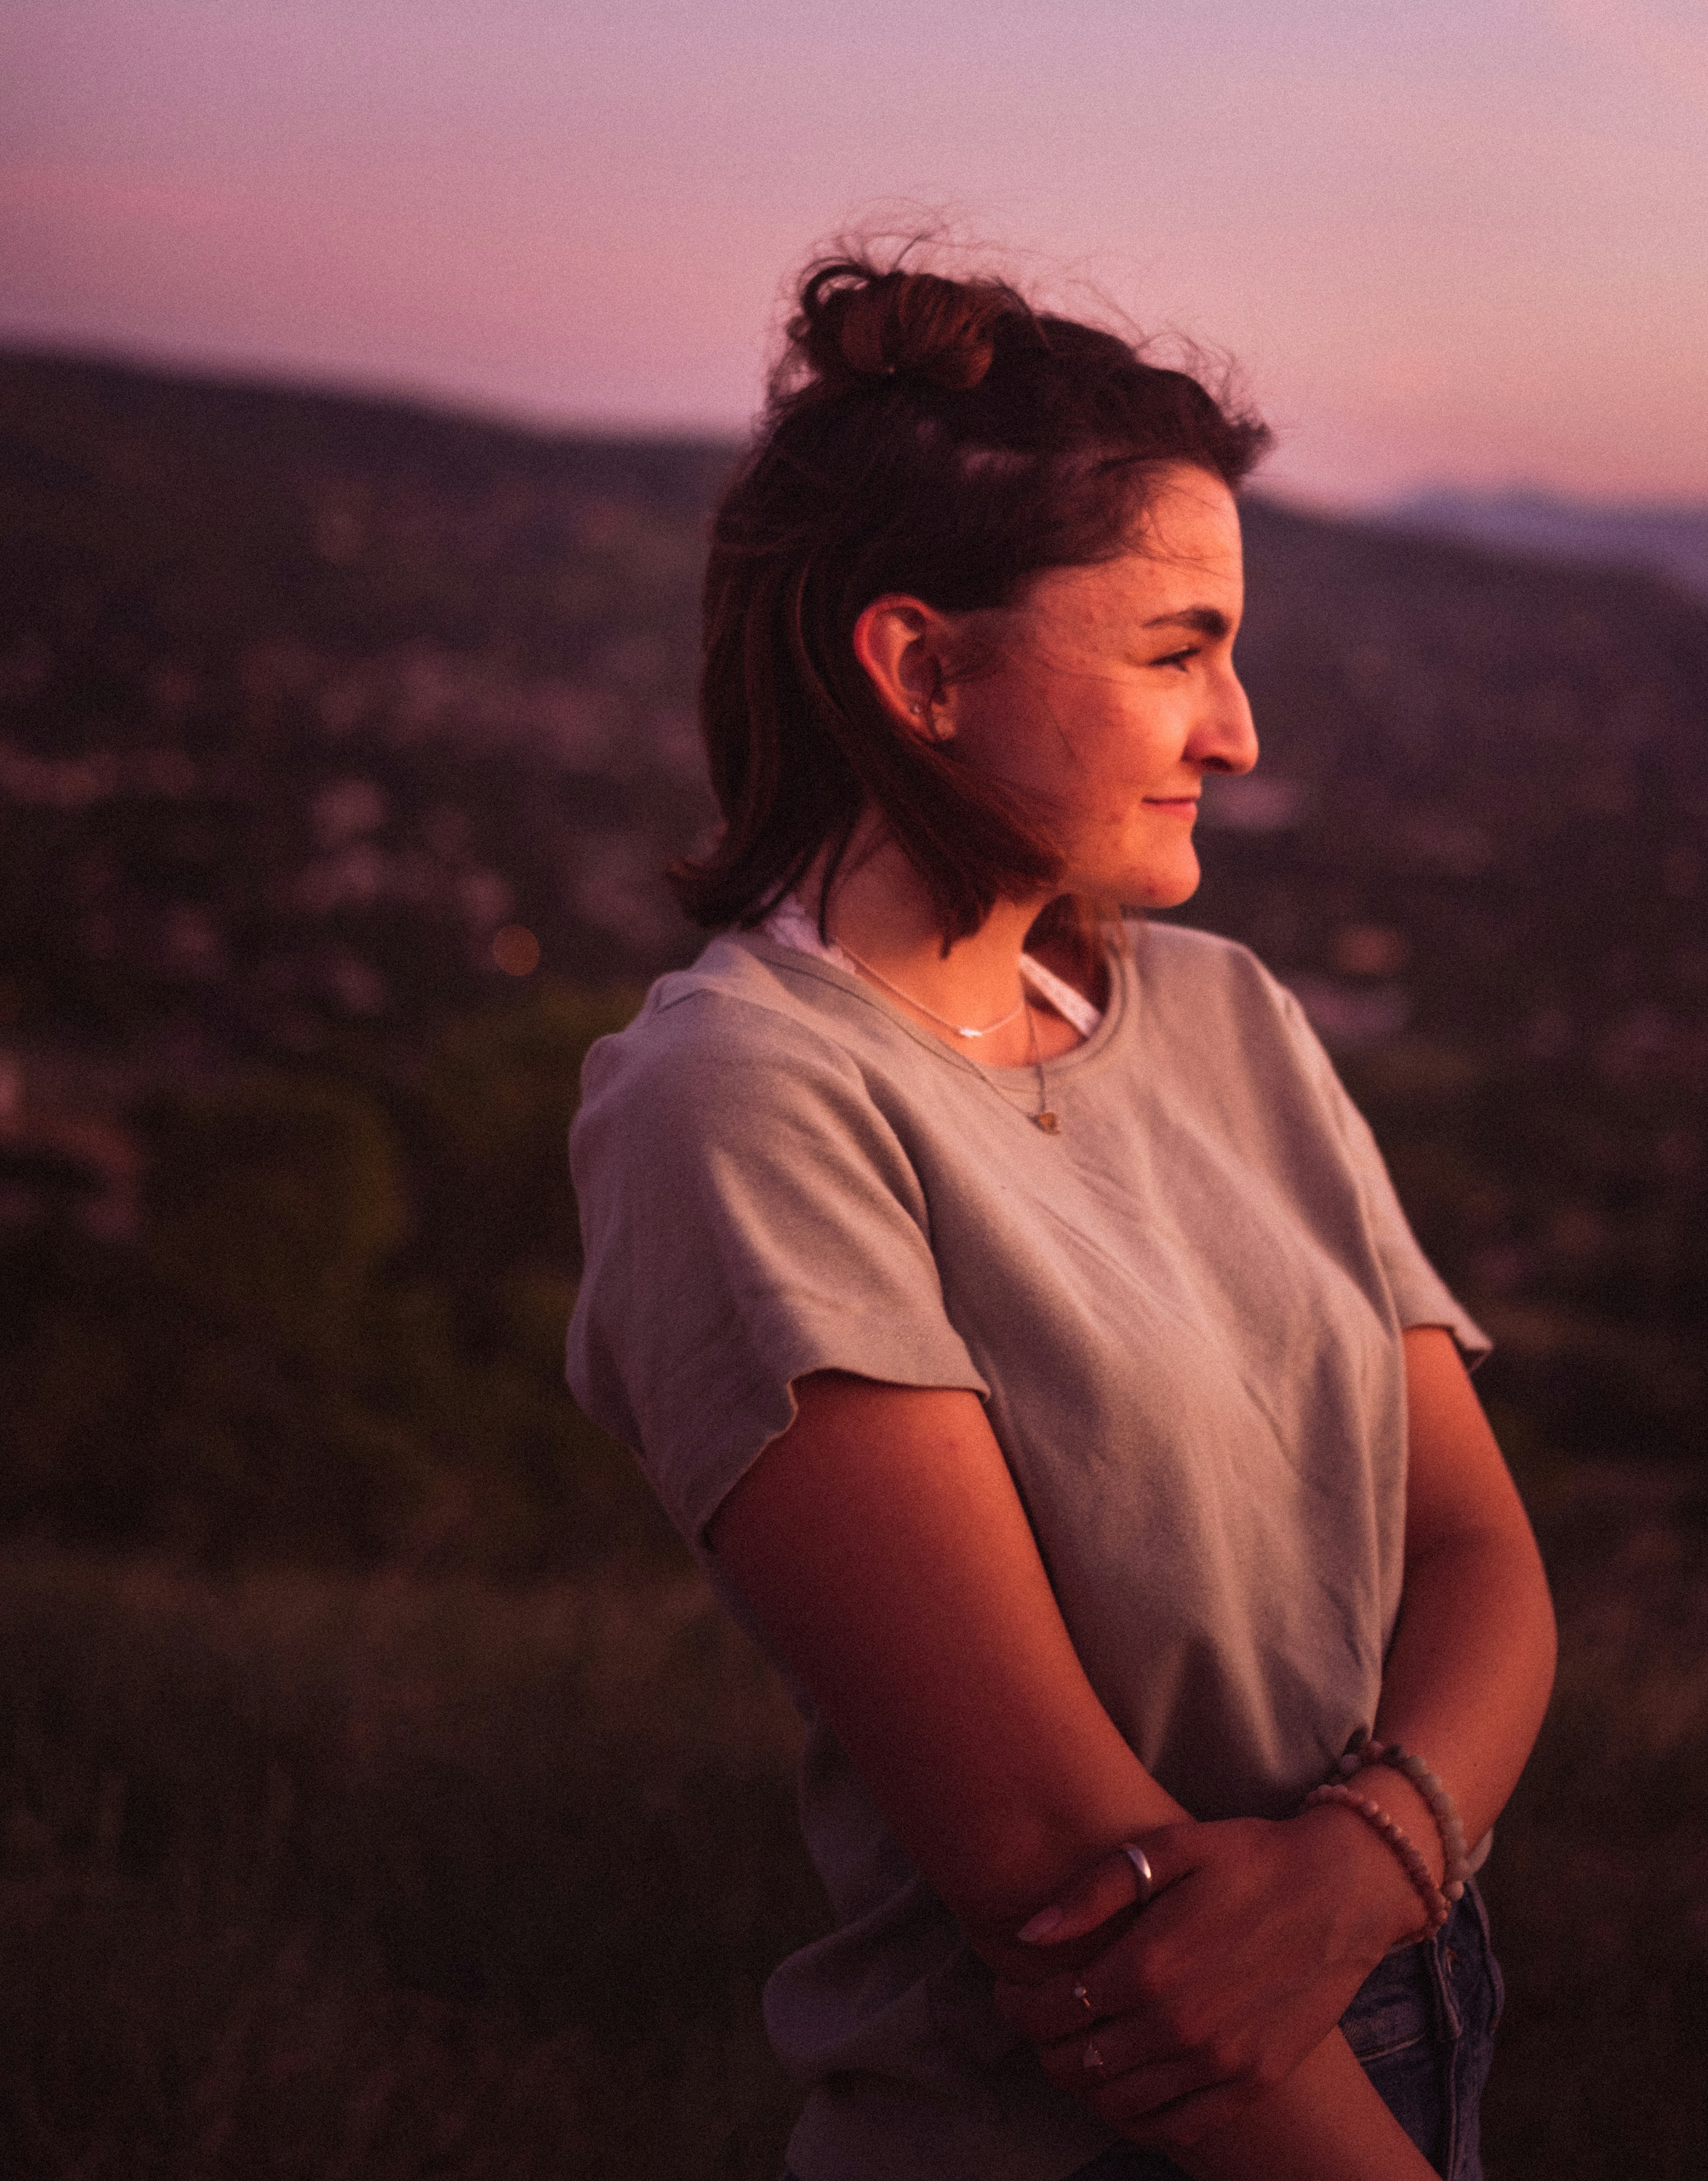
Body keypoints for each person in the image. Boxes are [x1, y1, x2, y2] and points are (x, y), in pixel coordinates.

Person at [566, 252, 1557, 2181]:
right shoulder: (746, 1099)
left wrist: (1361, 1869)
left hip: (1408, 2008)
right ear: (921, 669)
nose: (1239, 729)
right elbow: (1064, 1877)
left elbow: (1476, 1551)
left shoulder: (1228, 1017)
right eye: (1176, 649)